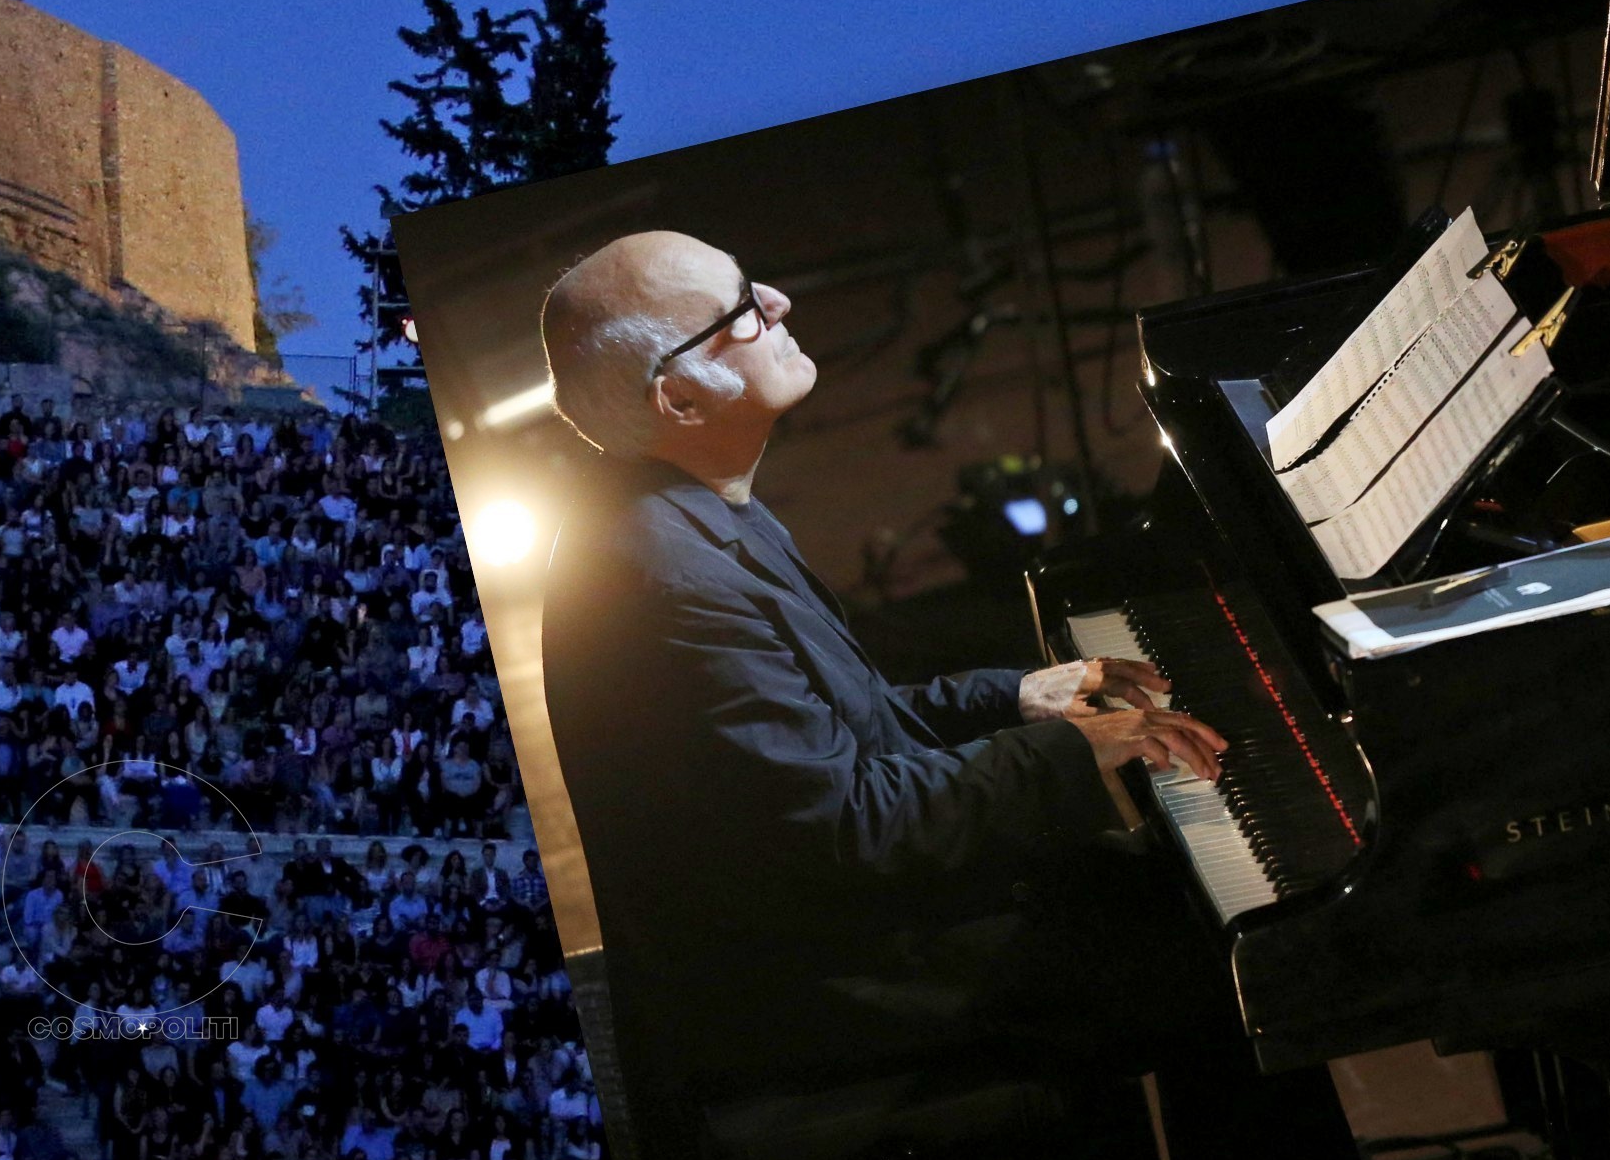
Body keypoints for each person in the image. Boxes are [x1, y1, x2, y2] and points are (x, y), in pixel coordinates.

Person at [521, 231, 1233, 1100]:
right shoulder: (663, 577)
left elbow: (838, 723)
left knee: (1171, 903)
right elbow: (850, 825)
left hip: (843, 928)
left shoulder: (689, 508)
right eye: (739, 310)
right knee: (1219, 951)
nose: (776, 304)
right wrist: (1075, 753)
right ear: (677, 398)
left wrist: (1011, 696)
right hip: (838, 996)